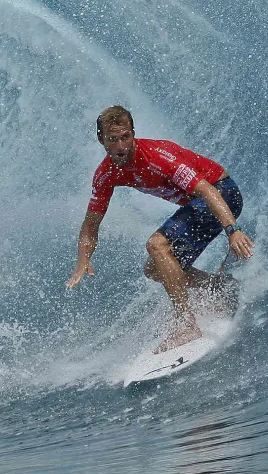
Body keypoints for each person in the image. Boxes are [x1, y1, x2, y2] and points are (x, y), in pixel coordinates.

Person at [65, 104, 252, 351]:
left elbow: (206, 189)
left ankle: (187, 325)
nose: (121, 146)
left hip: (221, 193)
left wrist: (233, 230)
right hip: (201, 204)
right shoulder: (106, 174)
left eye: (126, 137)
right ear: (101, 140)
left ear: (133, 133)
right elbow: (91, 225)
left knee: (157, 244)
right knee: (155, 269)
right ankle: (219, 286)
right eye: (113, 139)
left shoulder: (158, 156)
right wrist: (83, 259)